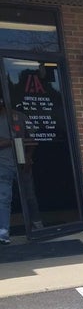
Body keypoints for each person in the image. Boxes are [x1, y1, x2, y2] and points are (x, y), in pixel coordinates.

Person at [0, 95, 15, 244]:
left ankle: (37, 225)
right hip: (5, 165)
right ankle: (3, 232)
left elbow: (28, 137)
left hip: (14, 164)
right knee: (3, 199)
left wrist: (28, 157)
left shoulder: (16, 117)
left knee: (30, 195)